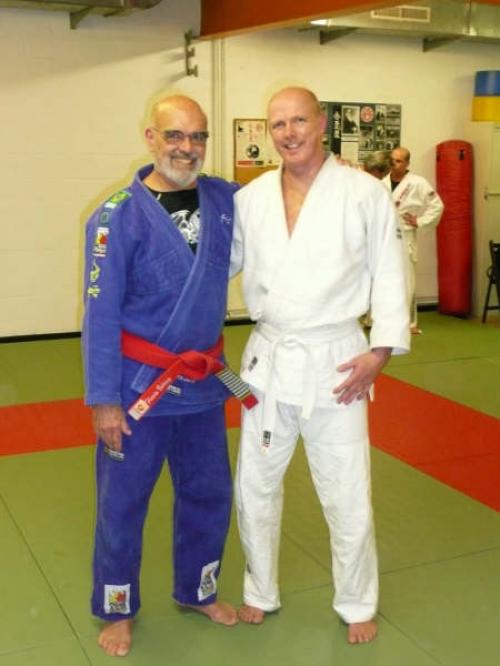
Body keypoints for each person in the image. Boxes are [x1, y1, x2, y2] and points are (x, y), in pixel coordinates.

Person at [230, 87, 409, 644]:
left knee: (346, 489)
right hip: (267, 361)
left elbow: (390, 269)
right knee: (255, 485)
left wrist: (380, 351)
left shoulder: (363, 192)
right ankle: (260, 589)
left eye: (299, 120)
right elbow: (218, 265)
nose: (289, 133)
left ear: (322, 122)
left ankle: (357, 601)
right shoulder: (251, 198)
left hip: (338, 362)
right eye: (278, 124)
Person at [82, 94, 249, 657]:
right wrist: (104, 400)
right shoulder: (114, 217)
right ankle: (117, 607)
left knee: (209, 493)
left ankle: (198, 591)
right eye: (175, 135)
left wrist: (328, 170)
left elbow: (286, 197)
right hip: (137, 391)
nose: (187, 147)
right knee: (123, 504)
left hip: (202, 385)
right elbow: (100, 315)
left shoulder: (225, 199)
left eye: (198, 136)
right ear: (151, 137)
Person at [383, 147, 444, 334]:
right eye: (392, 160)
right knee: (380, 279)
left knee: (406, 280)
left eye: (399, 161)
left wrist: (420, 221)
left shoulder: (418, 183)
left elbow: (437, 205)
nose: (394, 164)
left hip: (404, 235)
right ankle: (376, 319)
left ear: (407, 163)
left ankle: (408, 323)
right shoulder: (381, 181)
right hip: (383, 235)